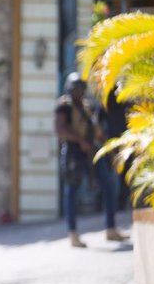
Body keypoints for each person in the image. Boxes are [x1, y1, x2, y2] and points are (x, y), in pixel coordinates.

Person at [54, 72, 127, 248]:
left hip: (90, 153)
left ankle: (110, 228)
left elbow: (96, 131)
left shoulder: (87, 107)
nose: (80, 92)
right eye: (77, 89)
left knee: (109, 185)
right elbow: (60, 130)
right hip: (74, 153)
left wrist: (108, 148)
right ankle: (72, 233)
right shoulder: (64, 107)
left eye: (81, 89)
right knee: (71, 192)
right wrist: (80, 141)